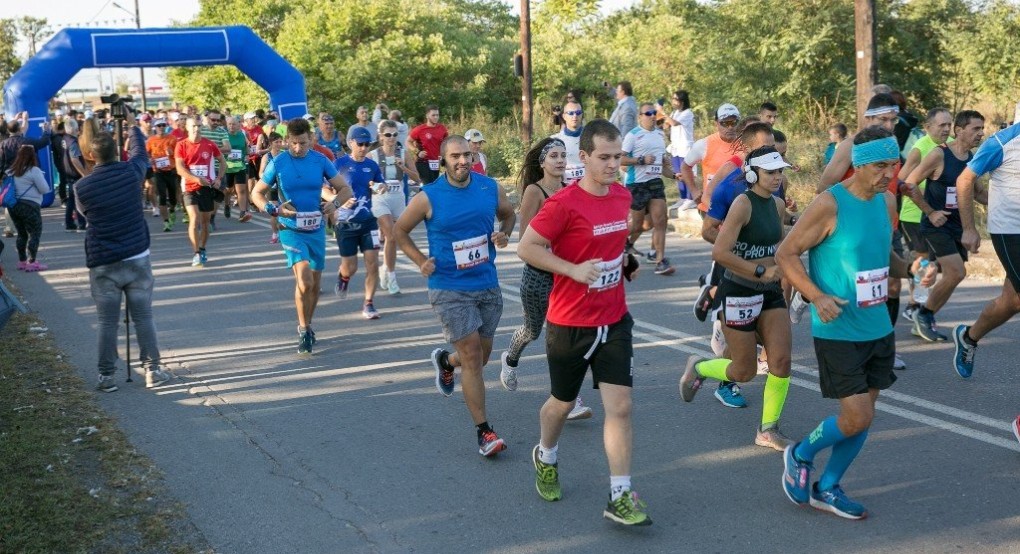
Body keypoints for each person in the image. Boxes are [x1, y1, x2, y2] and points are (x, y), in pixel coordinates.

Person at [517, 119, 651, 526]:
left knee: (621, 407)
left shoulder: (622, 195)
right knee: (560, 405)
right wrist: (572, 270)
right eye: (605, 158)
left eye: (618, 157)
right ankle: (546, 454)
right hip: (570, 323)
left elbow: (613, 244)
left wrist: (626, 260)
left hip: (614, 320)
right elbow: (527, 247)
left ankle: (620, 495)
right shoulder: (563, 204)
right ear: (585, 157)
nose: (614, 165)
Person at [776, 126, 911, 520]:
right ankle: (800, 453)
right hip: (837, 329)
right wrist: (816, 296)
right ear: (858, 164)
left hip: (878, 327)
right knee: (856, 416)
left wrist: (913, 266)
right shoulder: (829, 204)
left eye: (894, 164)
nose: (889, 173)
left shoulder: (886, 202)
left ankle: (829, 486)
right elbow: (787, 254)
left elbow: (883, 254)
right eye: (881, 165)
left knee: (862, 417)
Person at [393, 135, 516, 458]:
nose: (463, 160)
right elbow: (399, 231)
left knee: (482, 356)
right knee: (474, 357)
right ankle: (484, 432)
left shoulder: (489, 187)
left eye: (466, 154)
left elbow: (509, 213)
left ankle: (446, 361)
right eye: (455, 156)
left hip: (487, 284)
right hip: (448, 287)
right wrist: (421, 261)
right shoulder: (429, 196)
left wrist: (505, 233)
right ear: (443, 160)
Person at [680, 145, 793, 451]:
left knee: (781, 361)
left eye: (780, 172)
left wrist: (788, 272)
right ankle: (701, 367)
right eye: (770, 172)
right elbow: (720, 252)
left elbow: (778, 249)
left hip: (769, 293)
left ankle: (768, 429)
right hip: (739, 291)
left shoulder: (778, 205)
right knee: (743, 371)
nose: (777, 178)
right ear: (753, 174)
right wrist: (759, 270)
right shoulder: (743, 204)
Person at [74, 109, 172, 392]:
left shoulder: (82, 187)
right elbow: (140, 149)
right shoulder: (133, 171)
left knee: (107, 322)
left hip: (103, 260)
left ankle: (106, 376)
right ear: (118, 153)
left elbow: (86, 217)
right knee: (143, 317)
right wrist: (132, 125)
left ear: (92, 157)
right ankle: (153, 370)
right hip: (136, 257)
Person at [500, 137, 594, 419]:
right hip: (539, 276)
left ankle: (569, 398)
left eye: (563, 155)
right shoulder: (534, 191)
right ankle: (510, 359)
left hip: (565, 276)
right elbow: (525, 245)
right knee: (532, 331)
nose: (560, 160)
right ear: (542, 162)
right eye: (554, 155)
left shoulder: (570, 190)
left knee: (563, 337)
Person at [816, 92, 908, 370]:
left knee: (891, 283)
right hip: (851, 228)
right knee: (853, 288)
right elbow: (824, 186)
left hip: (884, 222)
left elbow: (891, 183)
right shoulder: (849, 147)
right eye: (883, 119)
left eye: (894, 119)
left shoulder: (891, 145)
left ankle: (884, 343)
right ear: (867, 118)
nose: (890, 124)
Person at [251, 118, 353, 356]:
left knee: (315, 286)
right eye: (294, 143)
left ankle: (309, 323)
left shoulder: (320, 160)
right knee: (305, 281)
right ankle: (303, 328)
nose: (298, 148)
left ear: (311, 140)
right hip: (290, 229)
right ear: (287, 141)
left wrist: (334, 203)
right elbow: (257, 193)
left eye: (303, 143)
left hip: (315, 229)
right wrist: (273, 209)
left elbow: (345, 189)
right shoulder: (278, 162)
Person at [904, 111, 985, 341]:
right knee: (956, 271)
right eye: (975, 129)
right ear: (959, 131)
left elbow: (978, 193)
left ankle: (923, 316)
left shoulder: (972, 158)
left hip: (958, 226)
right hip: (936, 225)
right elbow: (909, 183)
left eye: (982, 129)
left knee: (955, 274)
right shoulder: (939, 155)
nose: (980, 133)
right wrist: (930, 212)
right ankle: (923, 314)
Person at [952, 120, 1020, 386]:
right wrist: (969, 228)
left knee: (1013, 301)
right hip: (1011, 230)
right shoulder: (1002, 142)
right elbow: (965, 179)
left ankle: (968, 337)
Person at [898, 108, 953, 320]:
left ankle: (919, 304)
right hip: (913, 214)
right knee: (923, 259)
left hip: (939, 214)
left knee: (933, 262)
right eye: (942, 125)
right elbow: (902, 180)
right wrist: (927, 194)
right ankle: (914, 304)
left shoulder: (952, 144)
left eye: (949, 124)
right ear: (927, 128)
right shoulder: (920, 148)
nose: (947, 129)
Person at [333, 127, 385, 319]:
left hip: (368, 222)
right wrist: (338, 200)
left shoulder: (372, 166)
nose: (364, 148)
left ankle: (369, 303)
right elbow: (323, 189)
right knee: (351, 267)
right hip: (346, 222)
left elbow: (382, 185)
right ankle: (343, 276)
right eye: (360, 144)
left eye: (367, 144)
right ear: (350, 143)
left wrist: (381, 187)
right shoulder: (339, 164)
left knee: (373, 264)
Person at [368, 119, 421, 295]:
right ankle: (391, 277)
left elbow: (417, 178)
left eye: (395, 135)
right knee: (390, 235)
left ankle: (386, 268)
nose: (391, 138)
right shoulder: (372, 155)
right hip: (380, 197)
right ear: (381, 136)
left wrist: (403, 168)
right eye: (388, 135)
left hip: (398, 197)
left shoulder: (403, 153)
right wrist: (376, 186)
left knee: (395, 237)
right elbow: (366, 180)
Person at [622, 102, 674, 276]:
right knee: (637, 225)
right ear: (640, 117)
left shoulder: (660, 135)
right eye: (648, 113)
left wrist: (674, 175)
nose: (652, 116)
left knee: (661, 221)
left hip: (655, 183)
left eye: (654, 113)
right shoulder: (633, 135)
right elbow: (620, 159)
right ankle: (618, 243)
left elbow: (663, 165)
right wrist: (640, 160)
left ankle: (660, 260)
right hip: (636, 185)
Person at [175, 117, 227, 267]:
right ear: (187, 127)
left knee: (205, 222)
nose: (196, 129)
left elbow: (223, 162)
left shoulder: (209, 144)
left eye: (198, 126)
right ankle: (196, 253)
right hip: (189, 188)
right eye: (193, 126)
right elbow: (179, 169)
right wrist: (196, 179)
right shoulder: (181, 145)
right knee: (194, 218)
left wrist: (218, 178)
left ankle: (203, 249)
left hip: (207, 188)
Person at [681, 103, 742, 217]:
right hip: (710, 206)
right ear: (716, 124)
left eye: (734, 123)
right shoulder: (704, 145)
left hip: (738, 206)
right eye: (725, 123)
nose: (730, 127)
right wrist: (694, 191)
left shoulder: (746, 144)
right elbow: (685, 167)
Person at [6, 145, 51, 272]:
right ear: (33, 157)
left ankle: (21, 261)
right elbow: (44, 189)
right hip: (30, 206)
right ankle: (32, 262)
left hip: (13, 206)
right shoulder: (34, 171)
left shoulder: (11, 171)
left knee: (21, 234)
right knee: (35, 233)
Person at [146, 118, 179, 232]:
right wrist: (149, 159)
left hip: (171, 171)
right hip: (158, 172)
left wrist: (172, 154)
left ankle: (173, 210)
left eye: (163, 125)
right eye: (159, 125)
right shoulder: (151, 140)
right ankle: (166, 222)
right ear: (155, 128)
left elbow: (179, 154)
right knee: (162, 197)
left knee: (173, 197)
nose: (161, 127)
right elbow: (147, 153)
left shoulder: (172, 139)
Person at [664, 90, 696, 210]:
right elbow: (667, 125)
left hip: (685, 147)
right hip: (676, 147)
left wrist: (662, 112)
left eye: (675, 99)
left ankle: (690, 198)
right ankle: (683, 198)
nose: (673, 101)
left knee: (686, 172)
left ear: (681, 101)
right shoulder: (674, 112)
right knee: (678, 173)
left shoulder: (688, 113)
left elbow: (674, 123)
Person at [60, 119, 89, 233]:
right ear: (74, 129)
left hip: (68, 172)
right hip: (75, 173)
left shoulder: (64, 139)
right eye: (77, 128)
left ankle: (69, 223)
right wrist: (84, 173)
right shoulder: (73, 142)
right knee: (78, 200)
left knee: (71, 200)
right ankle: (81, 224)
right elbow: (75, 159)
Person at [409, 105, 448, 185]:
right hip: (423, 162)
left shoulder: (442, 128)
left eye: (437, 115)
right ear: (427, 116)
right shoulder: (419, 129)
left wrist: (443, 157)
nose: (436, 117)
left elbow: (446, 143)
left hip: (436, 162)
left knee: (433, 186)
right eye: (433, 115)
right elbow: (408, 141)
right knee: (427, 186)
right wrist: (417, 152)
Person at [225, 116, 253, 222]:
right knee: (228, 190)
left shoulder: (242, 135)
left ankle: (242, 212)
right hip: (228, 167)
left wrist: (247, 154)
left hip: (240, 165)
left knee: (241, 190)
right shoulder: (224, 136)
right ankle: (227, 204)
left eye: (234, 124)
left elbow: (246, 149)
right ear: (227, 125)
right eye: (230, 124)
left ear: (238, 125)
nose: (231, 126)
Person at [259, 132, 285, 244]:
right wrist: (268, 180)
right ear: (271, 143)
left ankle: (285, 233)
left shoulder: (285, 155)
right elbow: (261, 173)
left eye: (280, 142)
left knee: (284, 210)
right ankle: (275, 233)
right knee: (274, 212)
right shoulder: (267, 156)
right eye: (276, 142)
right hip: (272, 187)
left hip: (283, 187)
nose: (279, 144)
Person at [550, 99, 585, 182]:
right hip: (564, 190)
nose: (575, 116)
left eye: (578, 113)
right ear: (564, 116)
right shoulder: (554, 140)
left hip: (587, 190)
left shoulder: (592, 138)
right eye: (571, 113)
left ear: (582, 115)